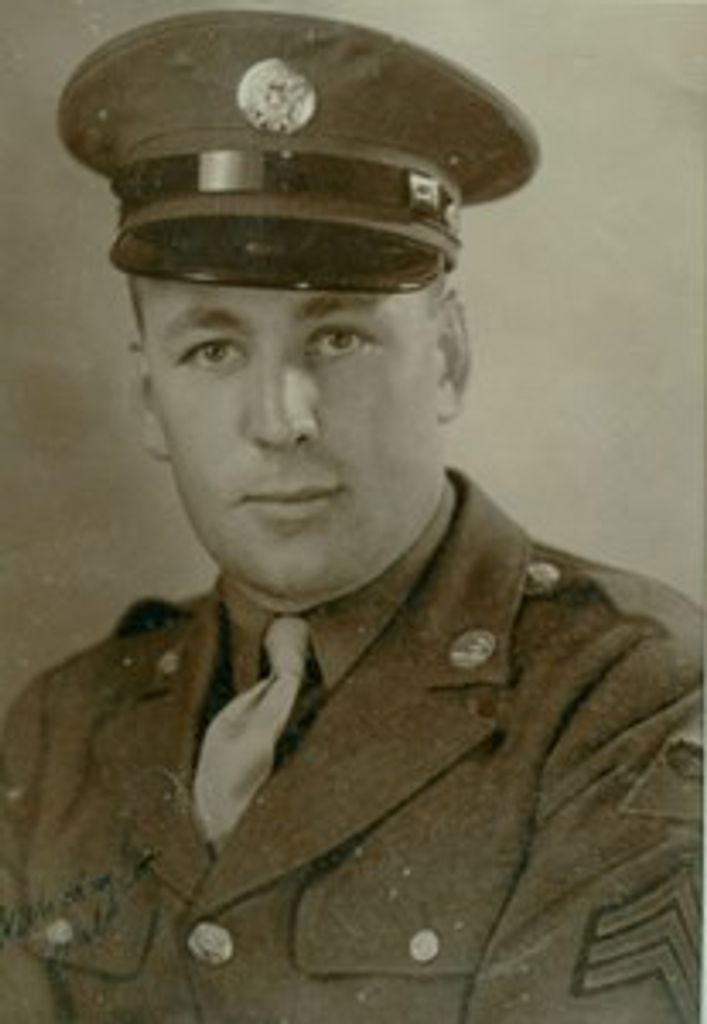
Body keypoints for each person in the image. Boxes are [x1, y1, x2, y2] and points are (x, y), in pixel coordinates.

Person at [0, 10, 700, 1023]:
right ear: (150, 402)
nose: (280, 419)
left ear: (446, 359)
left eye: (337, 338)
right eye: (212, 350)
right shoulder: (61, 730)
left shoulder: (628, 695)